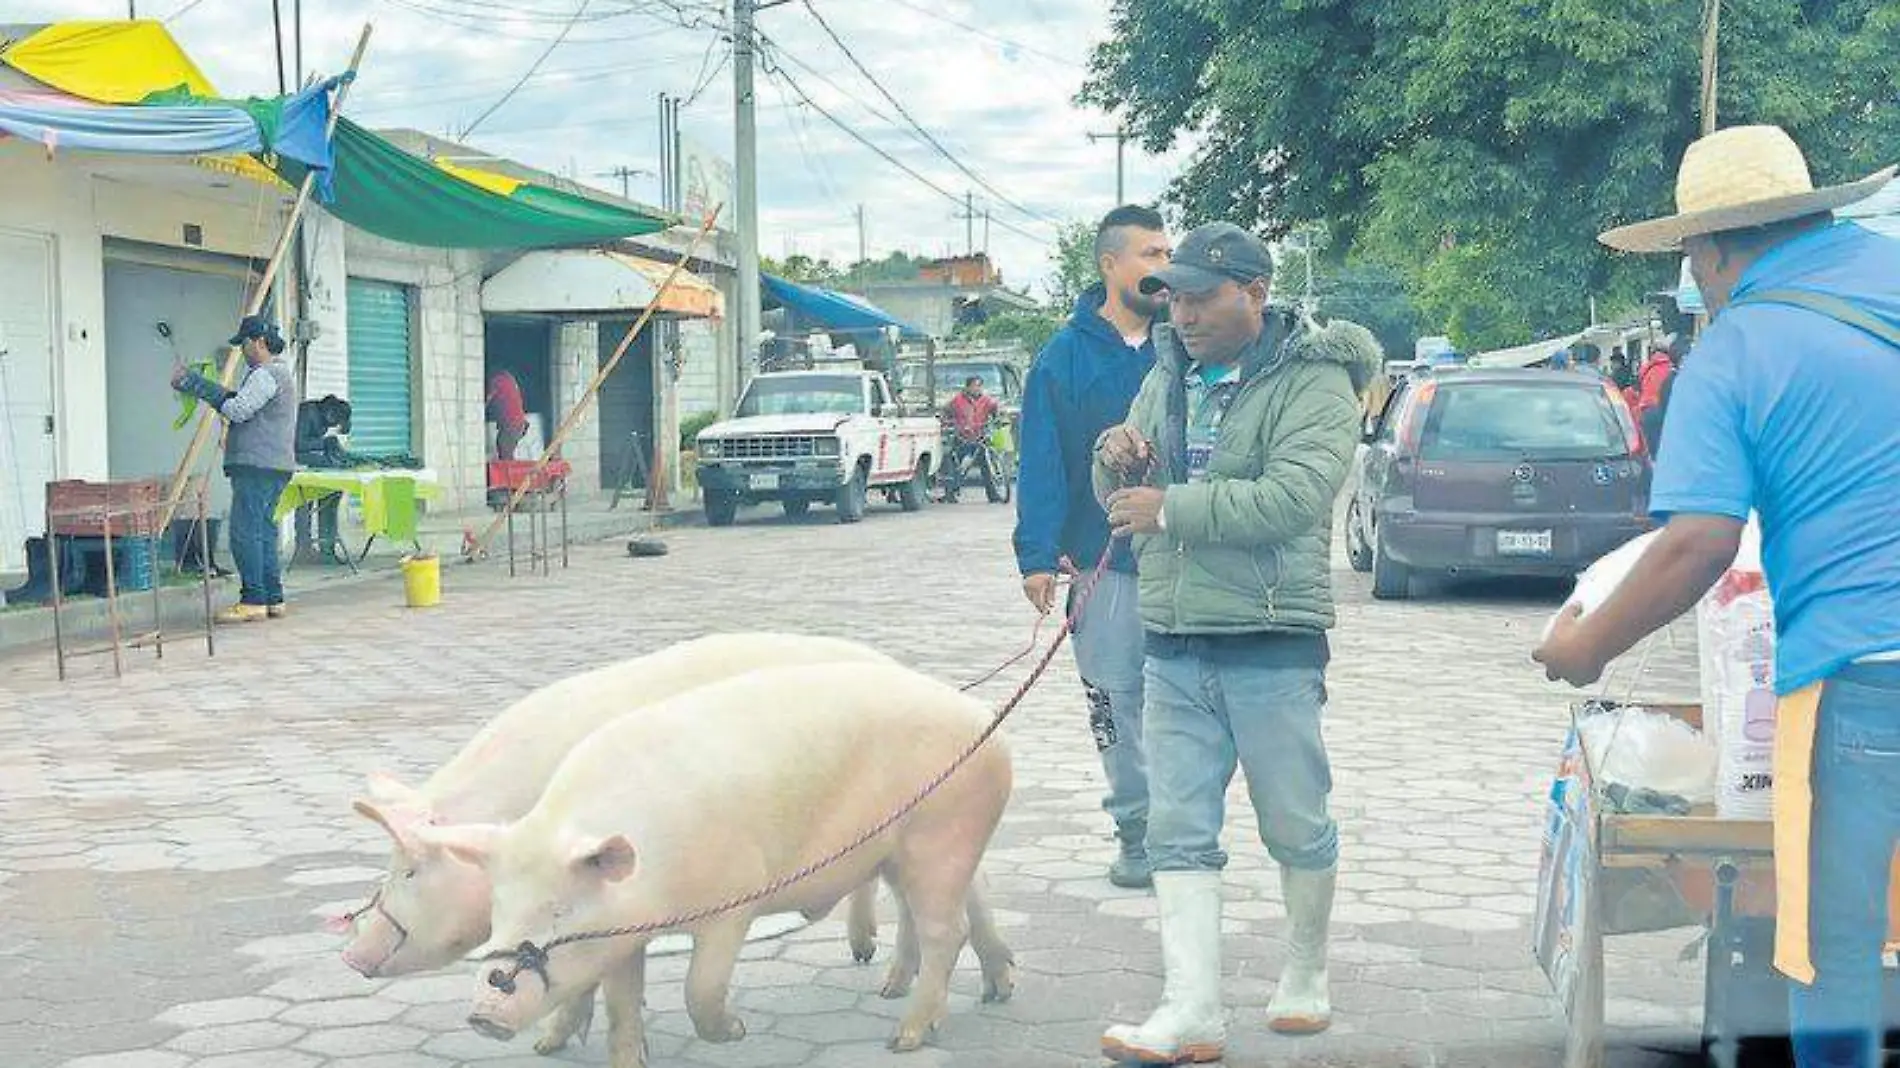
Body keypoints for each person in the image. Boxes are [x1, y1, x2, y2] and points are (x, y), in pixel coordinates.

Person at [1535, 124, 1900, 1068]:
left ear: (1714, 247)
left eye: (1693, 254)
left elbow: (1697, 543)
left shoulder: (1736, 350)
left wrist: (1588, 648)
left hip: (1867, 678)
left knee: (1837, 951)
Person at [1091, 222, 1380, 1063]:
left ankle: (1304, 969)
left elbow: (1295, 496)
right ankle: (1192, 1010)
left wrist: (1172, 507)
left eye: (1200, 297)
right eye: (1172, 297)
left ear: (1255, 294)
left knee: (1293, 819)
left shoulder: (1318, 381)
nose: (1181, 313)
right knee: (1176, 828)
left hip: (1270, 640)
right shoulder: (1166, 376)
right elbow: (1127, 483)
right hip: (1173, 637)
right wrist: (1113, 457)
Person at [1013, 204, 1171, 889]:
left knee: (1189, 700)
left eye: (1169, 254)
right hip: (1103, 566)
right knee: (1114, 701)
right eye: (1150, 255)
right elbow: (1040, 459)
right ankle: (1135, 829)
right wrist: (1038, 555)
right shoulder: (1063, 357)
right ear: (1110, 264)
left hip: (1189, 555)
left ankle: (1186, 828)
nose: (1163, 268)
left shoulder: (1186, 343)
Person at [171, 314, 299, 623]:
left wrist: (197, 385)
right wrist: (212, 390)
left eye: (243, 344)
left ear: (257, 342)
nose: (241, 351)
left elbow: (239, 409)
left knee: (245, 532)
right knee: (263, 532)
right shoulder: (280, 373)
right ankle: (272, 598)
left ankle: (253, 599)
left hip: (257, 465)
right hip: (274, 465)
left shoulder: (265, 374)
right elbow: (239, 402)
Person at [292, 394, 351, 566]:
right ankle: (303, 548)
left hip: (316, 467)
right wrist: (324, 443)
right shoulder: (307, 412)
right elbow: (298, 445)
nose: (332, 426)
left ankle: (328, 548)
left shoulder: (324, 416)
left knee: (330, 500)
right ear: (329, 412)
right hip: (299, 466)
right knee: (304, 505)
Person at [943, 375, 1001, 502]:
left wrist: (998, 419)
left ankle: (993, 495)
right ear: (968, 387)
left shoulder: (986, 400)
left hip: (980, 437)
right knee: (959, 467)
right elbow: (946, 412)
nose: (977, 389)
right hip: (962, 437)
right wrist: (950, 424)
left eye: (980, 386)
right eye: (975, 386)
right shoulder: (957, 400)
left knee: (986, 466)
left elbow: (995, 409)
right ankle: (951, 492)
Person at [486, 368, 529, 461]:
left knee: (505, 451)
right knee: (505, 449)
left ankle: (510, 474)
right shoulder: (510, 378)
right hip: (519, 423)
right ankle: (510, 472)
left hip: (512, 424)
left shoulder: (497, 380)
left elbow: (488, 399)